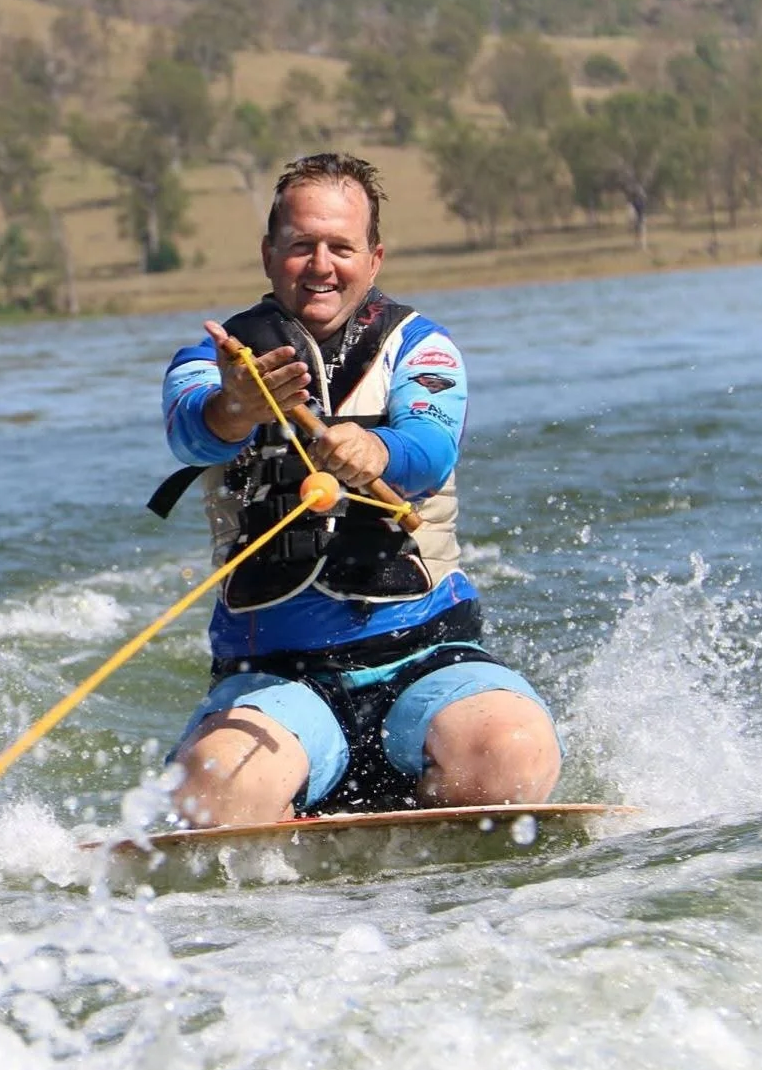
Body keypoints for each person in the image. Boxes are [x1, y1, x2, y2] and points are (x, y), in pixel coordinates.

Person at [158, 152, 561, 826]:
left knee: (509, 758)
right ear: (268, 254)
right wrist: (237, 407)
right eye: (300, 246)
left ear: (373, 259)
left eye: (340, 246)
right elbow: (193, 435)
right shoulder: (214, 361)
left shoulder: (423, 350)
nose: (320, 265)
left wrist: (375, 448)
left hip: (426, 662)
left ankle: (423, 808)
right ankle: (283, 818)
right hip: (276, 680)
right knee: (217, 794)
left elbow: (429, 450)